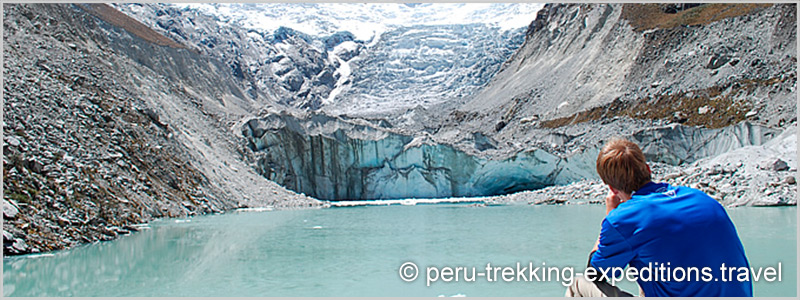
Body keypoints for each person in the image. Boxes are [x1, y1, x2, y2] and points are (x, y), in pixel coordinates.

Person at [566, 138, 752, 297]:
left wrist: (610, 215)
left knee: (578, 285)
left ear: (612, 188)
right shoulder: (700, 197)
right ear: (647, 169)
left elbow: (596, 274)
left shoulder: (624, 219)